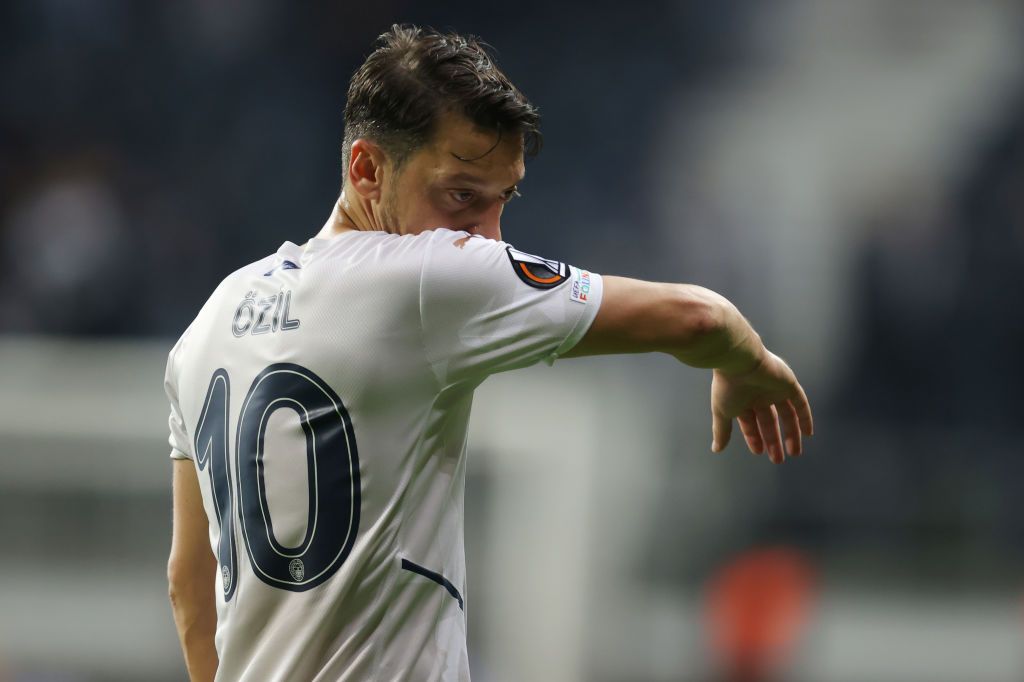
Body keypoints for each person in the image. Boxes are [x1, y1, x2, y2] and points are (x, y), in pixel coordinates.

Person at [164, 24, 814, 682]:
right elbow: (699, 316)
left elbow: (190, 592)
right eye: (461, 197)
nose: (489, 236)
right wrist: (746, 364)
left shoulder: (208, 323)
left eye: (502, 201)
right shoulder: (425, 277)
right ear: (366, 169)